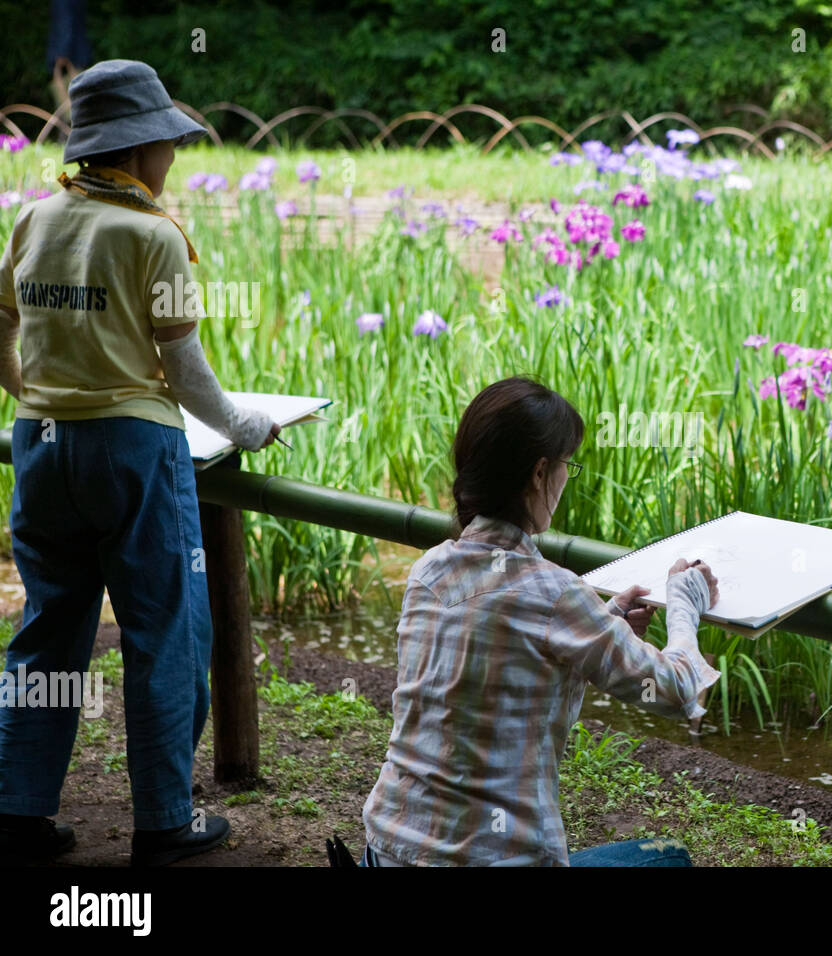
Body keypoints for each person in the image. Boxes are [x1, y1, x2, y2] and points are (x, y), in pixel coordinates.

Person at [0, 59, 280, 866]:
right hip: (134, 450)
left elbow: (0, 325)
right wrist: (248, 425)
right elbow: (186, 373)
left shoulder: (35, 220)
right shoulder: (152, 234)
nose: (174, 158)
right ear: (141, 149)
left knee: (49, 628)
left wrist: (41, 397)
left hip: (41, 447)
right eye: (169, 144)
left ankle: (17, 811)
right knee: (164, 630)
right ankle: (164, 821)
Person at [360, 376, 721, 866]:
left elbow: (496, 663)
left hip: (385, 852)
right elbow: (679, 693)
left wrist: (604, 623)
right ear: (538, 473)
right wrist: (685, 603)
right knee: (668, 857)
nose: (566, 478)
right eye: (567, 465)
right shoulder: (554, 592)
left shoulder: (429, 570)